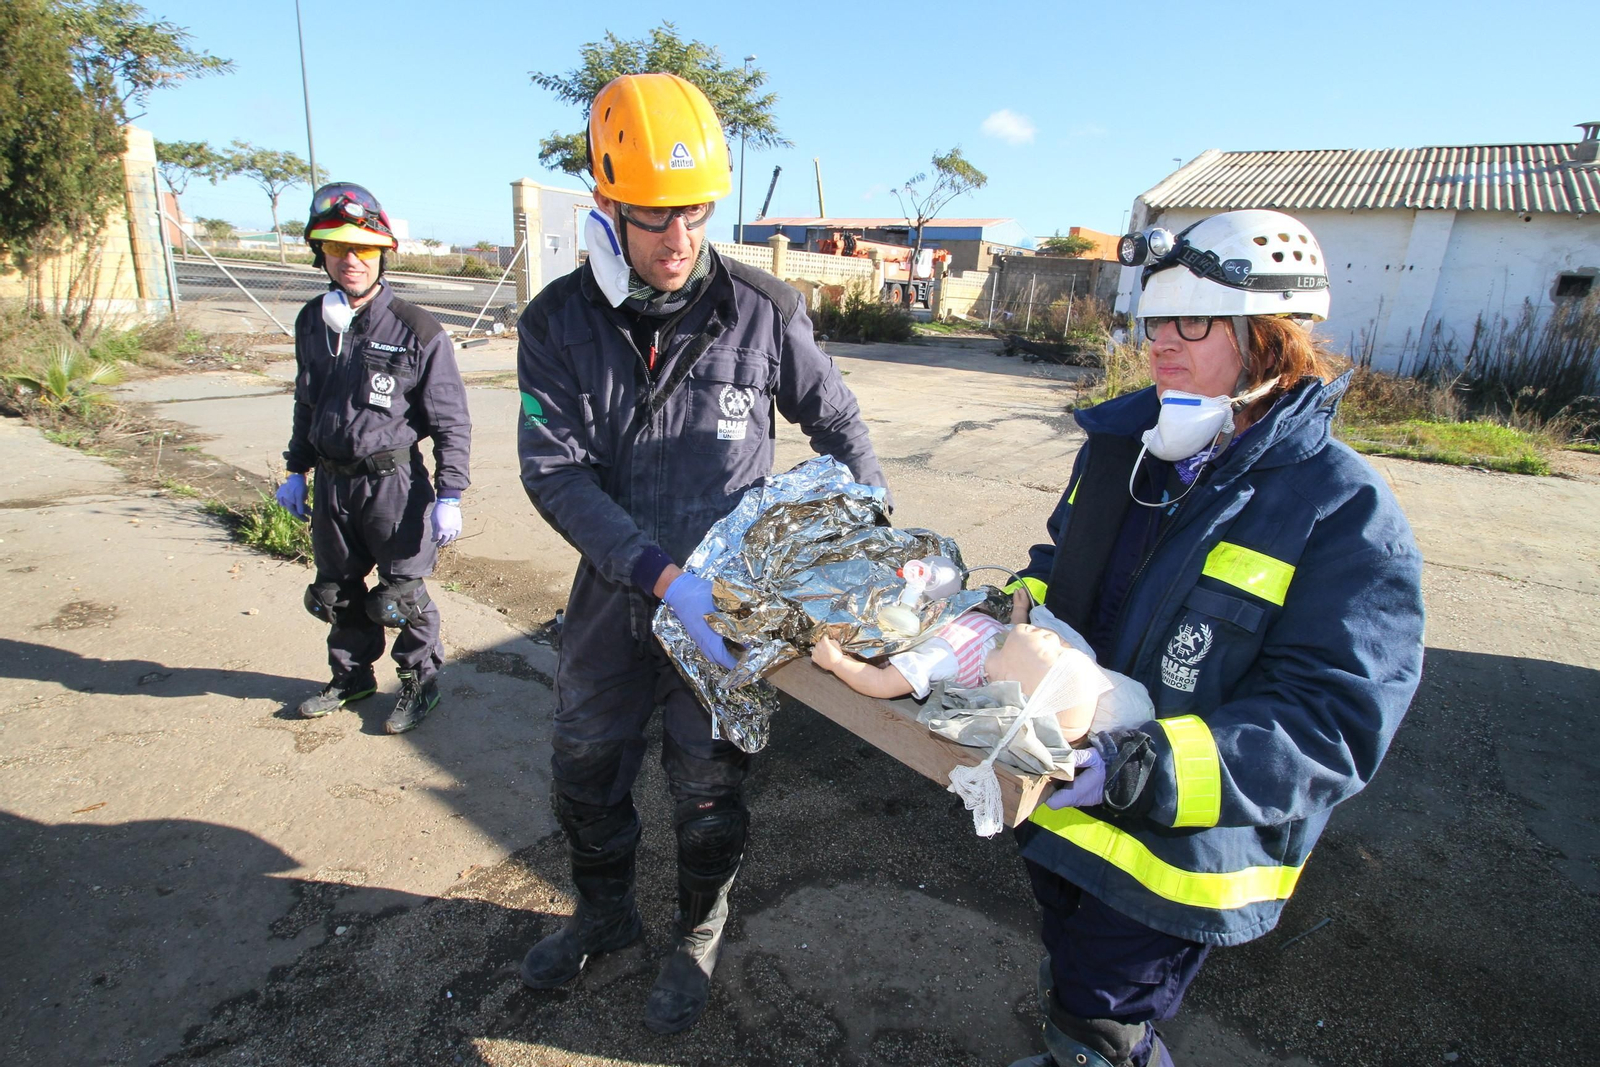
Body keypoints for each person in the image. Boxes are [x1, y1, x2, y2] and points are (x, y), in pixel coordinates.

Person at [1003, 209, 1425, 1067]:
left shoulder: (1340, 509)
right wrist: (994, 620)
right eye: (1156, 319)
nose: (1161, 343)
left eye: (1192, 322)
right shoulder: (1124, 448)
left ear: (1270, 339)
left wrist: (1140, 768)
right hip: (1061, 804)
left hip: (1175, 851)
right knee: (1069, 972)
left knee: (1102, 1020)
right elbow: (1057, 572)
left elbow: (1331, 722)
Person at [514, 73, 886, 1035]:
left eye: (694, 213)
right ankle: (602, 916)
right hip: (615, 595)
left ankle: (695, 934)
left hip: (723, 615)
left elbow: (842, 429)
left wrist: (857, 559)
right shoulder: (555, 323)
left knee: (708, 788)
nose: (678, 240)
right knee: (584, 767)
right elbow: (554, 474)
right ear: (606, 204)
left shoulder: (760, 310)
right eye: (651, 218)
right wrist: (658, 578)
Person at [275, 182, 472, 736]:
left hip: (394, 487)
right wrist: (297, 468)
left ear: (382, 252)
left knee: (401, 596)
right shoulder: (314, 321)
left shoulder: (417, 329)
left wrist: (450, 493)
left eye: (362, 248)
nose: (351, 260)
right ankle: (351, 677)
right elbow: (307, 400)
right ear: (323, 255)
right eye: (337, 249)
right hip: (335, 487)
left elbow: (450, 419)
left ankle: (419, 682)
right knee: (335, 591)